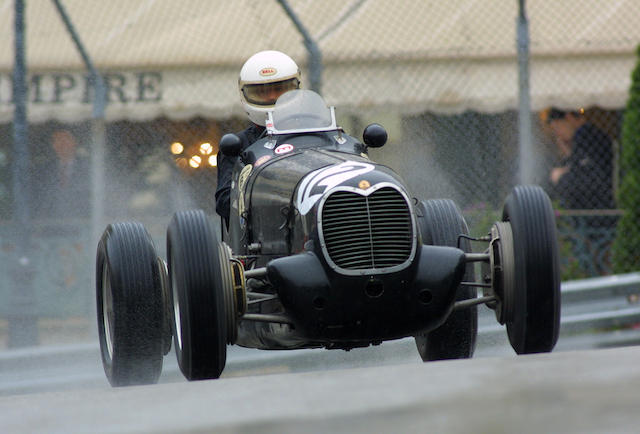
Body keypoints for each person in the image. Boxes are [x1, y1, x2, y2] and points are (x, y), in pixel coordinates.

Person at [215, 50, 301, 226]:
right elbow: (224, 203)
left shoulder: (321, 136)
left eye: (280, 90)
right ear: (245, 94)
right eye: (262, 92)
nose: (272, 97)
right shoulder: (237, 146)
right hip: (265, 234)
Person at [547, 107, 614, 209]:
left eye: (557, 128)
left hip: (594, 206)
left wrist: (561, 177)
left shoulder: (585, 136)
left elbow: (587, 174)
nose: (558, 134)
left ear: (569, 118)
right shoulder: (588, 136)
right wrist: (569, 154)